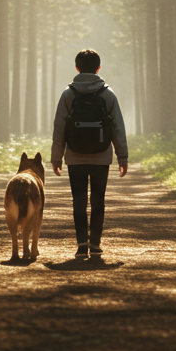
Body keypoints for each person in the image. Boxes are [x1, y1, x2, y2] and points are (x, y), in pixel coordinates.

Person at [51, 49, 128, 259]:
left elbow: (59, 127)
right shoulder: (108, 94)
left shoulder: (68, 94)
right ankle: (95, 243)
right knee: (98, 199)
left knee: (78, 200)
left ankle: (81, 244)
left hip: (74, 157)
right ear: (98, 68)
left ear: (77, 68)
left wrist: (56, 157)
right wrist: (123, 157)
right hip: (101, 156)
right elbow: (118, 127)